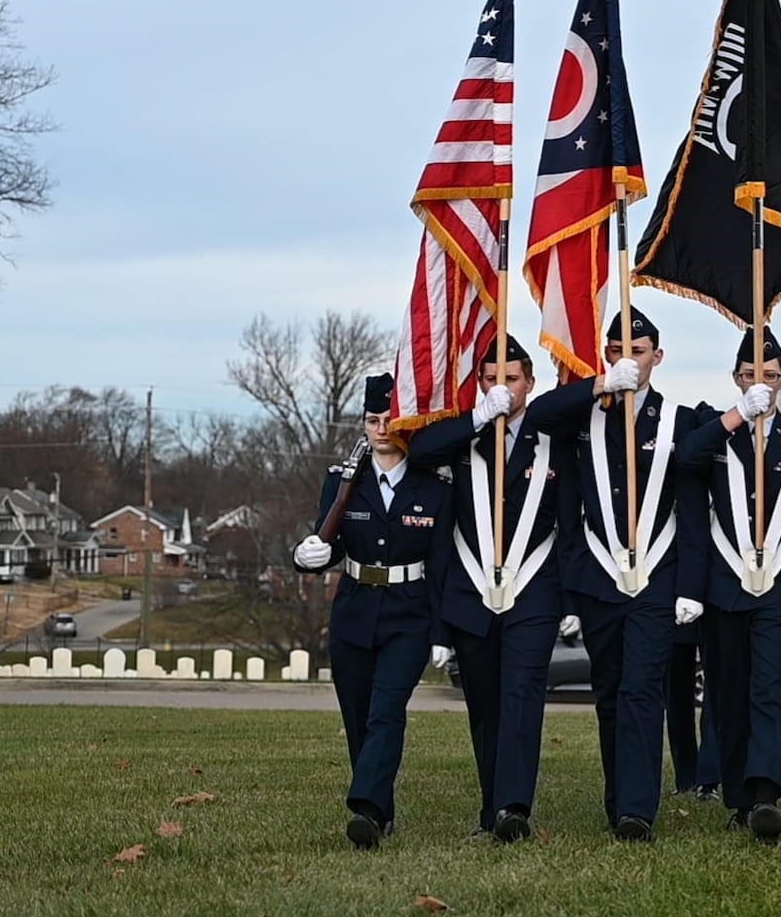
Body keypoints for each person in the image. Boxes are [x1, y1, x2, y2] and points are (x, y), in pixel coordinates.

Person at [524, 307, 709, 842]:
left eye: (638, 349)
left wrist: (691, 587)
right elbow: (537, 416)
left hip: (658, 575)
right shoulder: (585, 414)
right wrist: (602, 382)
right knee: (608, 692)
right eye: (616, 349)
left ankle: (637, 810)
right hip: (596, 576)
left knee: (642, 690)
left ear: (658, 355)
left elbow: (693, 509)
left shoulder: (679, 421)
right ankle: (617, 799)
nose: (628, 356)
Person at [406, 335, 576, 843]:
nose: (501, 387)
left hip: (534, 587)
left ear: (531, 382)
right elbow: (420, 453)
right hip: (470, 591)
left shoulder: (553, 442)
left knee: (522, 695)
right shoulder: (465, 438)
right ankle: (491, 806)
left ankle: (512, 808)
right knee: (484, 703)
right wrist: (481, 416)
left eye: (511, 378)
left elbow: (568, 523)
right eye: (490, 379)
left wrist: (568, 600)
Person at [292, 372, 455, 849]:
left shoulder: (436, 488)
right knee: (360, 715)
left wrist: (441, 633)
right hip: (354, 610)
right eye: (372, 420)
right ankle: (380, 806)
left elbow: (442, 565)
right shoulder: (342, 483)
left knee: (387, 711)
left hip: (410, 613)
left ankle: (365, 807)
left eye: (391, 420)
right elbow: (328, 542)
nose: (382, 429)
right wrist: (306, 558)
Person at [679, 327, 781, 844]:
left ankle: (765, 794)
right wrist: (738, 414)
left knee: (769, 690)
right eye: (747, 376)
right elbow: (685, 460)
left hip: (780, 586)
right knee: (729, 693)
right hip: (723, 586)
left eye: (767, 375)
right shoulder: (715, 431)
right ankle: (739, 797)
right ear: (736, 380)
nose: (758, 382)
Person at [664, 621, 719, 802]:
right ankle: (686, 778)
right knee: (675, 695)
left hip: (713, 608)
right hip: (672, 610)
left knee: (715, 697)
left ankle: (708, 780)